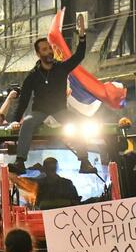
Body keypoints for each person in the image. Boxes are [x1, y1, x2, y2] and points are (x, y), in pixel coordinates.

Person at [8, 22, 94, 175]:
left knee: (77, 122)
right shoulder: (32, 76)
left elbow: (79, 56)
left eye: (50, 48)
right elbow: (24, 100)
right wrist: (14, 120)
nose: (49, 51)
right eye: (44, 49)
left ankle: (84, 162)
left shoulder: (62, 68)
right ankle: (20, 161)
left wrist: (82, 36)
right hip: (39, 111)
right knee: (27, 122)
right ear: (38, 54)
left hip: (60, 110)